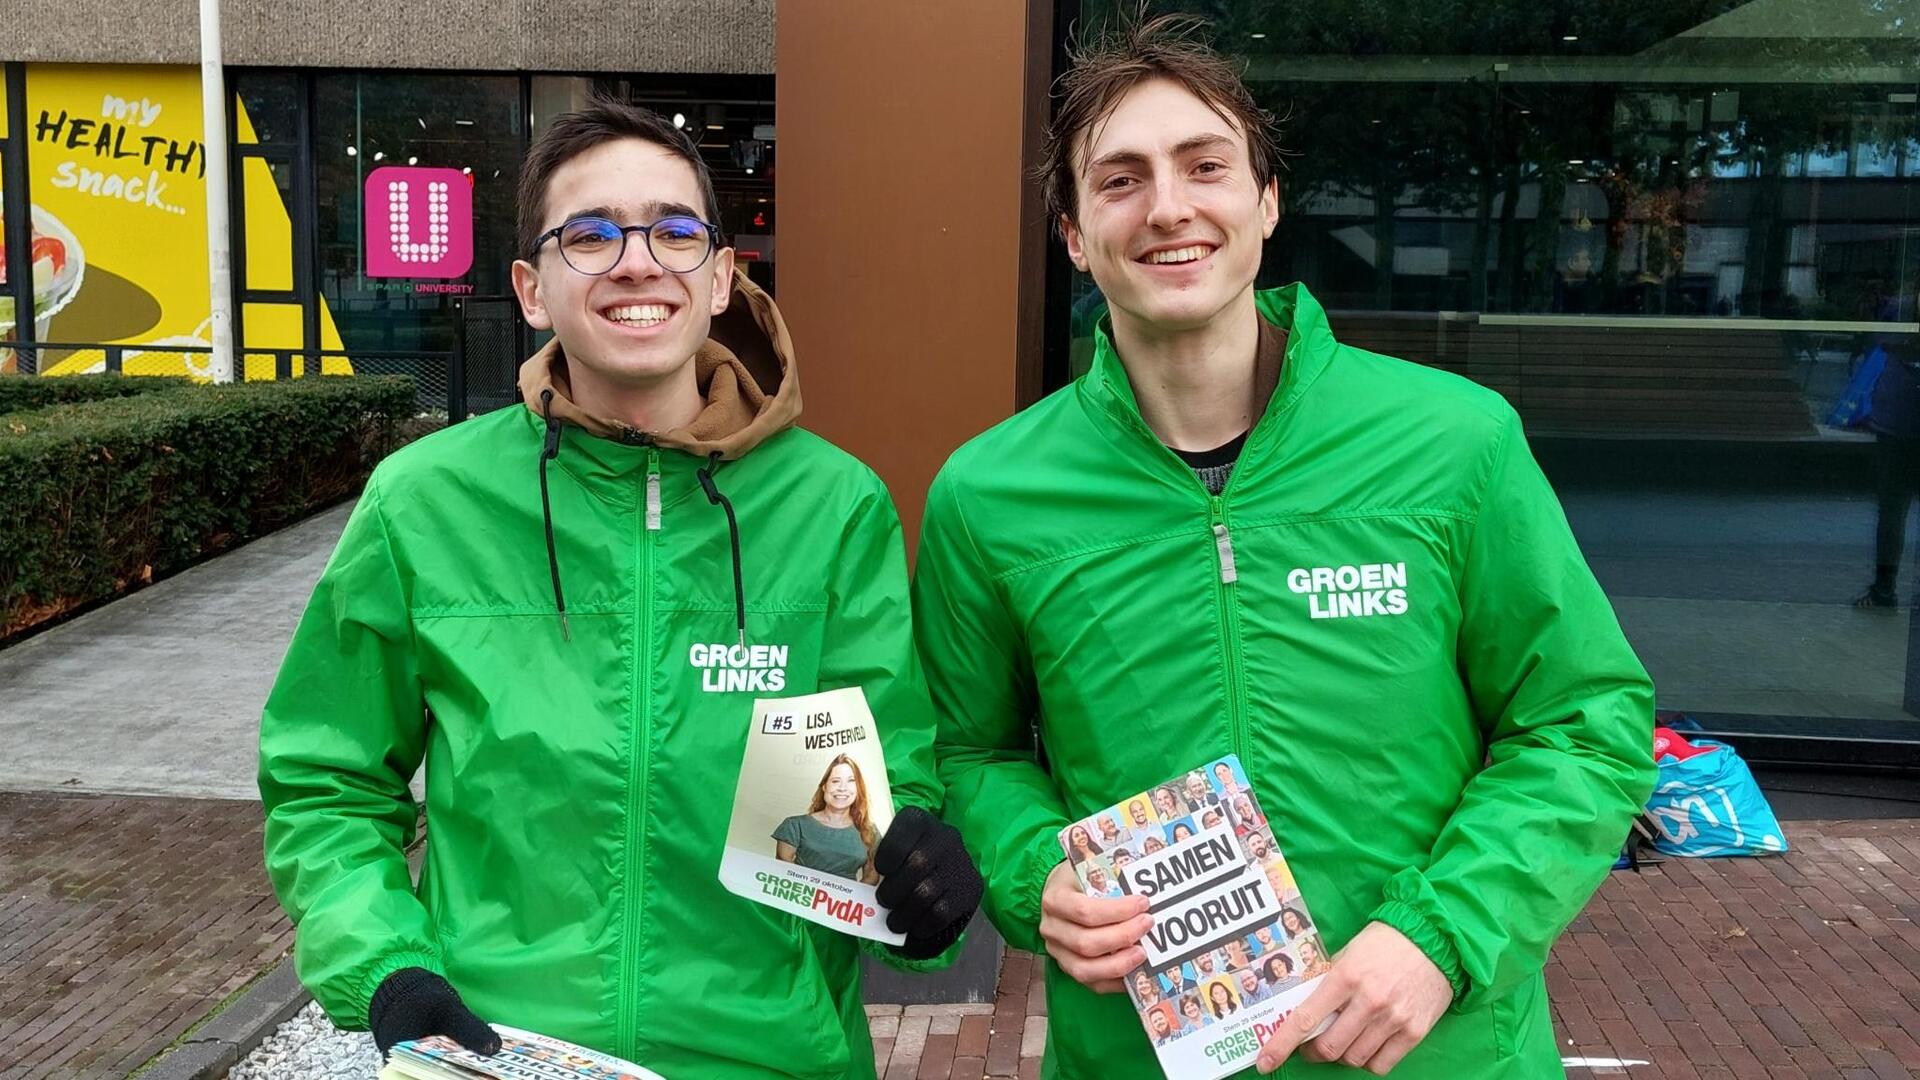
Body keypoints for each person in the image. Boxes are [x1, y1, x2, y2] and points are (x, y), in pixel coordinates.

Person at [914, 14, 1654, 1080]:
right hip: (1141, 1054)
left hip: (1436, 1052)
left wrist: (1438, 937)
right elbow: (969, 751)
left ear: (1265, 202)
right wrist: (1039, 879)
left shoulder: (1454, 442)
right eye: (1119, 180)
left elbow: (1585, 725)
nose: (1169, 206)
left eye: (1205, 166)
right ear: (1074, 236)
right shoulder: (989, 494)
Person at [259, 97, 984, 1079]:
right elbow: (328, 780)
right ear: (530, 288)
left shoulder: (834, 505)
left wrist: (922, 885)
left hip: (772, 1057)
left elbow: (885, 789)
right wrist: (389, 969)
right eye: (590, 234)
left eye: (675, 231)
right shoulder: (423, 503)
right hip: (501, 1054)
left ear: (721, 276)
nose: (637, 261)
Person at [774, 754, 881, 883]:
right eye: (835, 781)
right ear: (824, 786)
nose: (842, 788)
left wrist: (846, 901)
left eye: (851, 781)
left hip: (842, 902)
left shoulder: (870, 831)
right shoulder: (794, 825)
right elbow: (782, 870)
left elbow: (871, 875)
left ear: (858, 789)